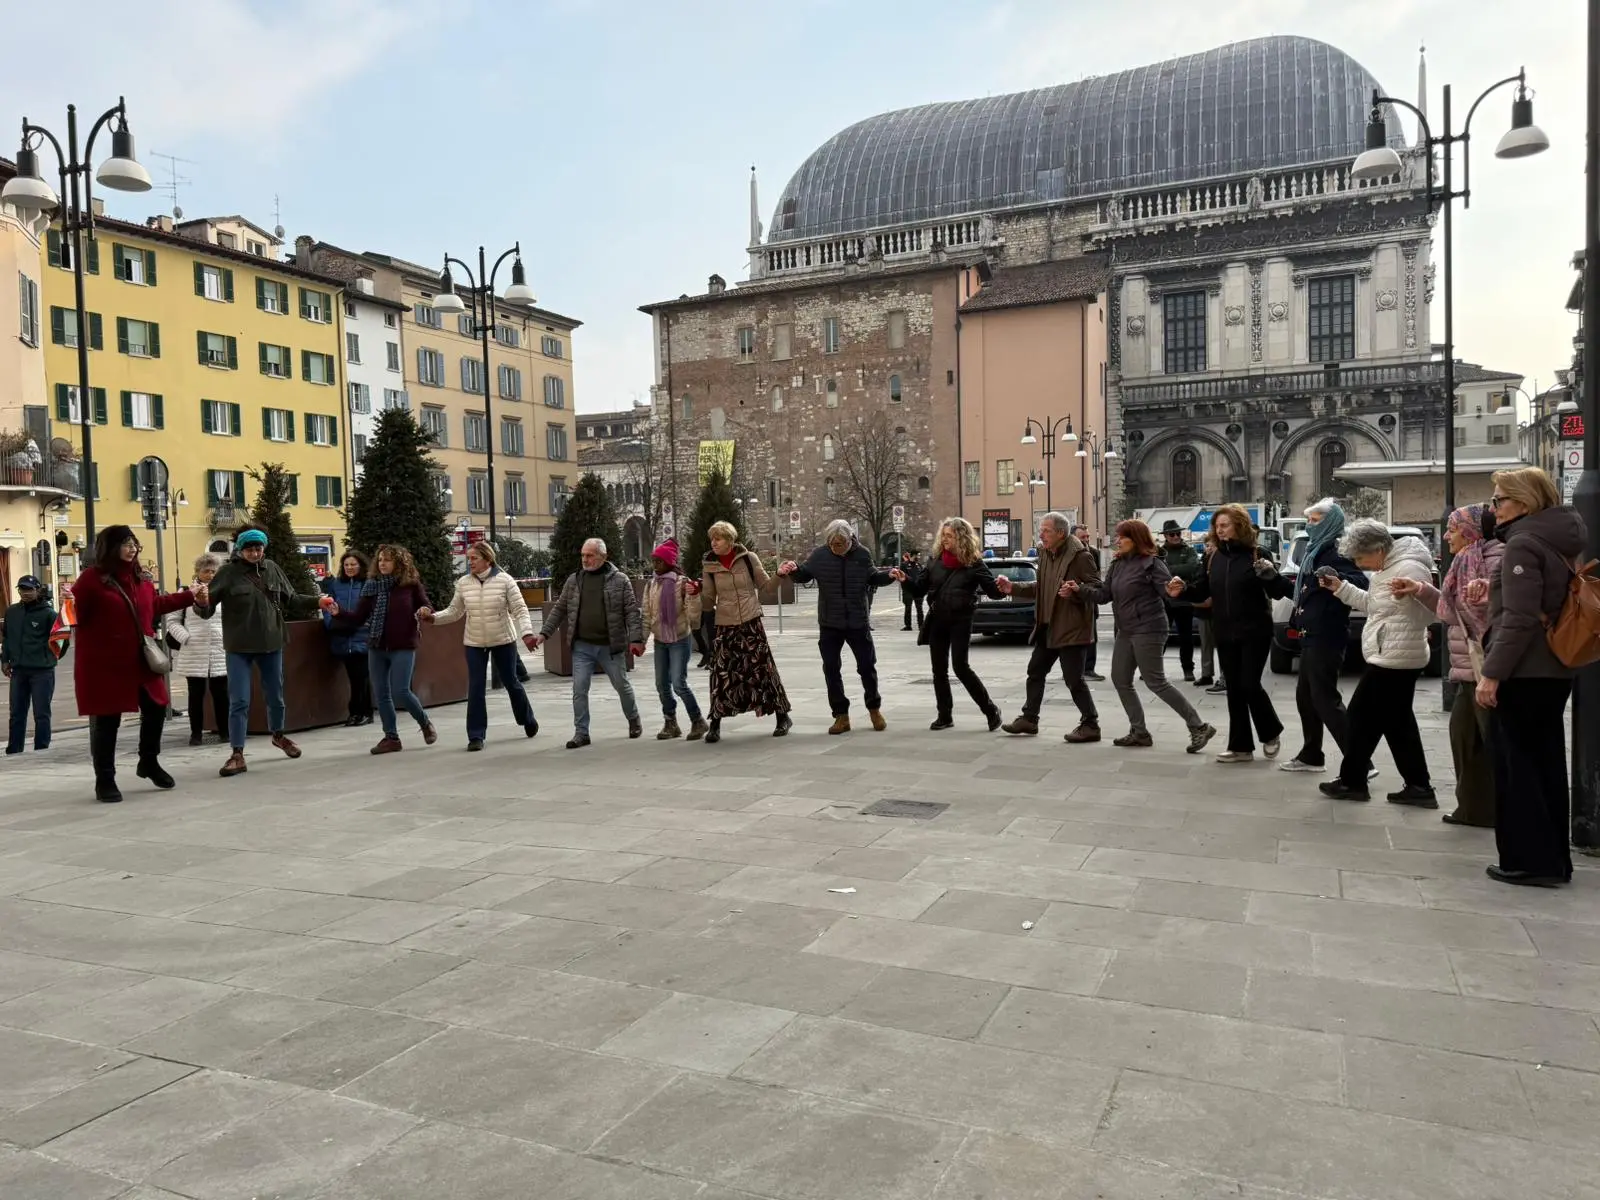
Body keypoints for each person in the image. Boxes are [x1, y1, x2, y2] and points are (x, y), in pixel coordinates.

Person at [1474, 467, 1585, 887]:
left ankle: (1527, 859)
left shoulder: (1523, 543)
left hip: (1524, 670)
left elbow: (1519, 620)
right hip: (1553, 669)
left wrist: (1491, 674)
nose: (1494, 508)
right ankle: (1553, 857)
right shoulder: (1560, 537)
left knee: (1516, 766)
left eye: (1500, 500)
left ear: (1523, 502)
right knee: (1545, 764)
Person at [194, 527, 335, 778]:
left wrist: (318, 601)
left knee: (276, 696)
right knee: (239, 700)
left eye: (259, 548)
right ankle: (237, 753)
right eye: (250, 549)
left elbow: (291, 598)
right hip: (239, 646)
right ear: (240, 550)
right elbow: (206, 609)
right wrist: (202, 602)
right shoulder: (228, 572)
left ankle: (279, 735)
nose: (255, 553)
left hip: (272, 642)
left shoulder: (272, 568)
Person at [1314, 520, 1437, 804]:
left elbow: (1428, 614)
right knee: (1397, 723)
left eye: (1361, 557)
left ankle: (1354, 781)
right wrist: (1341, 587)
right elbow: (1373, 603)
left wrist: (1410, 595)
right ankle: (1417, 786)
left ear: (1378, 549)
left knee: (1360, 718)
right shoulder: (1390, 567)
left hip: (1396, 656)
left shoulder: (1408, 568)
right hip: (1393, 653)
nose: (1360, 563)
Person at [70, 526, 196, 801]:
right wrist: (69, 605)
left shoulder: (140, 578)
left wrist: (190, 596)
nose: (132, 548)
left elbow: (154, 606)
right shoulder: (92, 580)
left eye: (134, 543)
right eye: (125, 544)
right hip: (105, 663)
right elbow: (74, 614)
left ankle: (148, 761)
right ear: (110, 548)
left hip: (140, 659)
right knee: (107, 720)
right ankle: (105, 779)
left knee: (156, 707)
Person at [1392, 504, 1500, 826]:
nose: (1447, 536)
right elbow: (1451, 612)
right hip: (1469, 669)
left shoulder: (1495, 559)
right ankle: (1475, 810)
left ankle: (1507, 812)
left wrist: (1487, 597)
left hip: (1490, 669)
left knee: (1495, 744)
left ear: (1470, 530)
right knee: (1464, 738)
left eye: (1452, 529)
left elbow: (1499, 612)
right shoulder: (1465, 561)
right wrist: (1421, 590)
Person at [1072, 520, 1216, 752]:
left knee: (1156, 682)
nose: (1117, 541)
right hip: (1126, 630)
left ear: (1136, 539)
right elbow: (1104, 595)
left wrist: (1174, 589)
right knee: (1120, 679)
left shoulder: (1152, 564)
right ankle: (1139, 732)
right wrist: (1079, 590)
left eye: (1122, 537)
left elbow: (1168, 593)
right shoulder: (1118, 564)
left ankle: (1198, 726)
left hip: (1149, 628)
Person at [1166, 504, 1286, 763]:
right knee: (1234, 688)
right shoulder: (1214, 557)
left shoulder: (1257, 554)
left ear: (1239, 526)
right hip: (1225, 631)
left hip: (1255, 631)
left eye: (1224, 525)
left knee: (1249, 685)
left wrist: (1270, 576)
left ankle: (1270, 732)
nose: (1219, 530)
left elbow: (1277, 591)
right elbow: (1202, 590)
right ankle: (1241, 746)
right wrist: (1183, 590)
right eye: (1217, 526)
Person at [779, 519, 903, 734]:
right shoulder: (820, 555)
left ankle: (874, 709)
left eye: (842, 543)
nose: (838, 548)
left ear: (850, 539)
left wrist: (889, 576)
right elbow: (804, 575)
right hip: (830, 623)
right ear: (828, 541)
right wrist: (793, 569)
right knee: (831, 669)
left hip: (857, 621)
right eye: (834, 544)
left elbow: (873, 576)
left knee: (866, 667)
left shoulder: (862, 554)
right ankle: (841, 716)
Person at [420, 541, 539, 751]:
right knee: (476, 687)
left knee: (512, 682)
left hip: (503, 640)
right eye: (469, 559)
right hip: (474, 642)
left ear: (488, 559)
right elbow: (454, 611)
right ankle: (476, 736)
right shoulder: (464, 583)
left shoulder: (505, 580)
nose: (470, 563)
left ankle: (527, 719)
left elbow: (520, 609)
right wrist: (433, 618)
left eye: (474, 558)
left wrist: (527, 633)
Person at [1278, 499, 1367, 774]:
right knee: (1306, 697)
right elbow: (1304, 591)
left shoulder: (1336, 551)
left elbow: (1360, 581)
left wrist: (1335, 575)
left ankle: (1360, 759)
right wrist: (1271, 578)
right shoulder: (1314, 551)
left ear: (1329, 523)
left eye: (1315, 520)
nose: (1310, 525)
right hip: (1311, 633)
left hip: (1326, 634)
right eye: (1310, 520)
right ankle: (1311, 754)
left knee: (1324, 698)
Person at [1000, 512, 1103, 742]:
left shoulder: (1081, 556)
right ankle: (1030, 718)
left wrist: (1076, 590)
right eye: (1041, 529)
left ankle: (1091, 724)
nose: (1041, 534)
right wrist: (1013, 588)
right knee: (1035, 671)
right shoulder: (1046, 553)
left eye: (1046, 530)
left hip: (1071, 628)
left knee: (1073, 680)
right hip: (1048, 626)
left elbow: (1098, 590)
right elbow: (1042, 586)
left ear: (1060, 533)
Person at [532, 538, 645, 749]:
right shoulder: (574, 580)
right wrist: (544, 634)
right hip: (582, 645)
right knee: (579, 688)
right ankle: (581, 732)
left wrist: (636, 639)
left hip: (610, 645)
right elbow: (560, 609)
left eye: (590, 555)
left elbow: (631, 612)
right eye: (583, 555)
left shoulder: (620, 580)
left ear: (603, 556)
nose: (585, 559)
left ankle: (633, 717)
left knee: (621, 685)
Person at [699, 520, 791, 742]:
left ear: (730, 540)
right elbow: (708, 600)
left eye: (718, 538)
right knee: (721, 673)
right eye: (712, 538)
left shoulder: (748, 559)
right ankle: (715, 724)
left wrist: (778, 575)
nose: (714, 542)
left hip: (750, 621)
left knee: (763, 670)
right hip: (725, 623)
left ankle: (782, 716)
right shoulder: (709, 564)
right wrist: (696, 592)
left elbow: (766, 588)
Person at [343, 544, 436, 754]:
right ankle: (391, 737)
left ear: (399, 563)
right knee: (381, 693)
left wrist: (424, 610)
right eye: (380, 560)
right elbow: (358, 617)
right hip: (377, 645)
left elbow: (428, 607)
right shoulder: (372, 586)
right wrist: (338, 611)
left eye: (387, 560)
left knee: (401, 691)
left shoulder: (411, 586)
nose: (382, 563)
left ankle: (424, 723)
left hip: (403, 644)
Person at [916, 517, 1004, 730]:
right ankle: (944, 715)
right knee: (939, 670)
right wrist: (904, 579)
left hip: (961, 620)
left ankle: (990, 709)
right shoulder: (935, 560)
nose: (945, 539)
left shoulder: (974, 563)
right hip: (938, 619)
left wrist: (1002, 587)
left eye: (950, 536)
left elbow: (993, 593)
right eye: (943, 535)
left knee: (960, 667)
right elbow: (919, 588)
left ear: (961, 538)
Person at [642, 538, 707, 740]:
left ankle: (697, 720)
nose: (655, 565)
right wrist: (640, 641)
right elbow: (646, 614)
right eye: (654, 561)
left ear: (669, 562)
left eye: (659, 561)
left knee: (678, 683)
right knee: (661, 684)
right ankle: (670, 722)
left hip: (679, 639)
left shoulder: (682, 583)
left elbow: (694, 619)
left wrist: (695, 595)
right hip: (660, 640)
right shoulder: (651, 585)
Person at [166, 553, 228, 747]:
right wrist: (186, 638)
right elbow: (172, 621)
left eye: (213, 571)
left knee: (222, 694)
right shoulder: (186, 592)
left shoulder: (223, 591)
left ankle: (225, 732)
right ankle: (195, 734)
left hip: (219, 650)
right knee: (195, 696)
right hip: (194, 650)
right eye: (206, 571)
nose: (210, 575)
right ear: (197, 572)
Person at [3, 574, 58, 755]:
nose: (25, 593)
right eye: (22, 589)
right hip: (18, 670)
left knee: (41, 713)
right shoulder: (12, 612)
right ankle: (14, 749)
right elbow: (8, 638)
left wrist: (49, 657)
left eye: (29, 589)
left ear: (37, 590)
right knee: (16, 713)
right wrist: (5, 660)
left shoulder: (49, 614)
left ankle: (41, 749)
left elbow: (61, 640)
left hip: (42, 671)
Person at [321, 550, 374, 727]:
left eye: (353, 564)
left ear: (361, 565)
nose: (350, 567)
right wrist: (330, 623)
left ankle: (363, 712)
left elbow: (375, 608)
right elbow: (328, 605)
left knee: (362, 676)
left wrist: (367, 624)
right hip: (343, 637)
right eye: (346, 565)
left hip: (363, 637)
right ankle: (357, 713)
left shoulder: (369, 584)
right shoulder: (337, 585)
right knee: (354, 677)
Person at [1158, 521, 1200, 681]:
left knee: (1186, 638)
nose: (1176, 537)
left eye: (1178, 534)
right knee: (1160, 636)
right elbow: (1158, 570)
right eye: (1172, 534)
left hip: (1184, 600)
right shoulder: (1160, 552)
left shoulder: (1188, 550)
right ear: (1166, 536)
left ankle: (1188, 669)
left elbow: (1192, 567)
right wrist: (1179, 569)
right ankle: (1154, 668)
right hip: (1164, 600)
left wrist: (1169, 569)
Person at [1072, 524, 1105, 680]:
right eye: (1082, 537)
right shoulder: (1068, 554)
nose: (1085, 540)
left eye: (1087, 537)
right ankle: (1074, 668)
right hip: (1072, 602)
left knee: (1091, 636)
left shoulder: (1094, 553)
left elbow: (1096, 578)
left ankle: (1089, 668)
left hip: (1089, 600)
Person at [900, 551, 925, 632]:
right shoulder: (904, 565)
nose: (919, 557)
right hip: (908, 590)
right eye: (918, 555)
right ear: (913, 555)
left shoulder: (919, 565)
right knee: (908, 608)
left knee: (919, 608)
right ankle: (908, 625)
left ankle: (921, 625)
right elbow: (902, 577)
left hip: (918, 589)